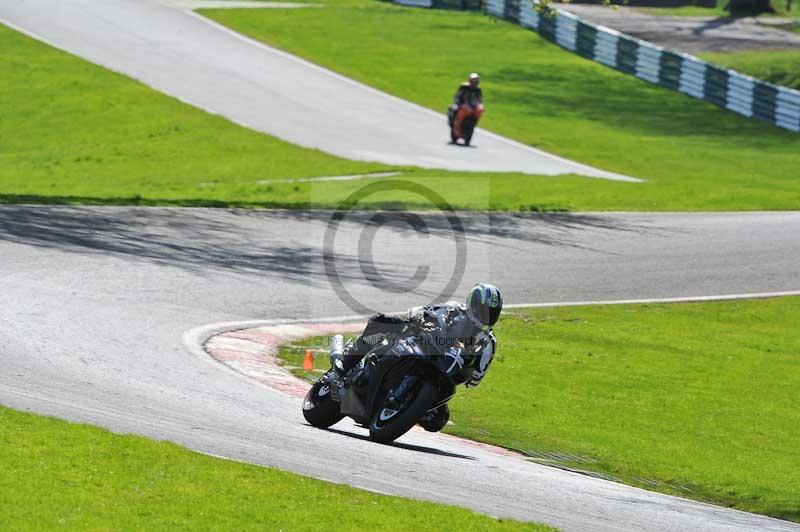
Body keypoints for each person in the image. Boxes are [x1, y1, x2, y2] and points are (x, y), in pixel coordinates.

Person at [331, 283, 503, 432]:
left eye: (491, 313)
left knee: (438, 420)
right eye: (482, 310)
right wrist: (420, 317)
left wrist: (467, 366)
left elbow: (475, 379)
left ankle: (404, 409)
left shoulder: (488, 343)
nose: (485, 316)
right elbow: (420, 311)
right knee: (381, 322)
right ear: (473, 303)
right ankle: (346, 363)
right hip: (424, 345)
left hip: (443, 369)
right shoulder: (454, 309)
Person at [449, 72, 483, 139]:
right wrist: (457, 103)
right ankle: (453, 125)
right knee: (452, 109)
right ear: (470, 80)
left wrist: (479, 105)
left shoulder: (478, 90)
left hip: (472, 107)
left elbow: (480, 99)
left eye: (476, 81)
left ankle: (473, 124)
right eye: (473, 81)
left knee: (480, 110)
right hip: (461, 105)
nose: (474, 82)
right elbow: (457, 95)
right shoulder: (464, 86)